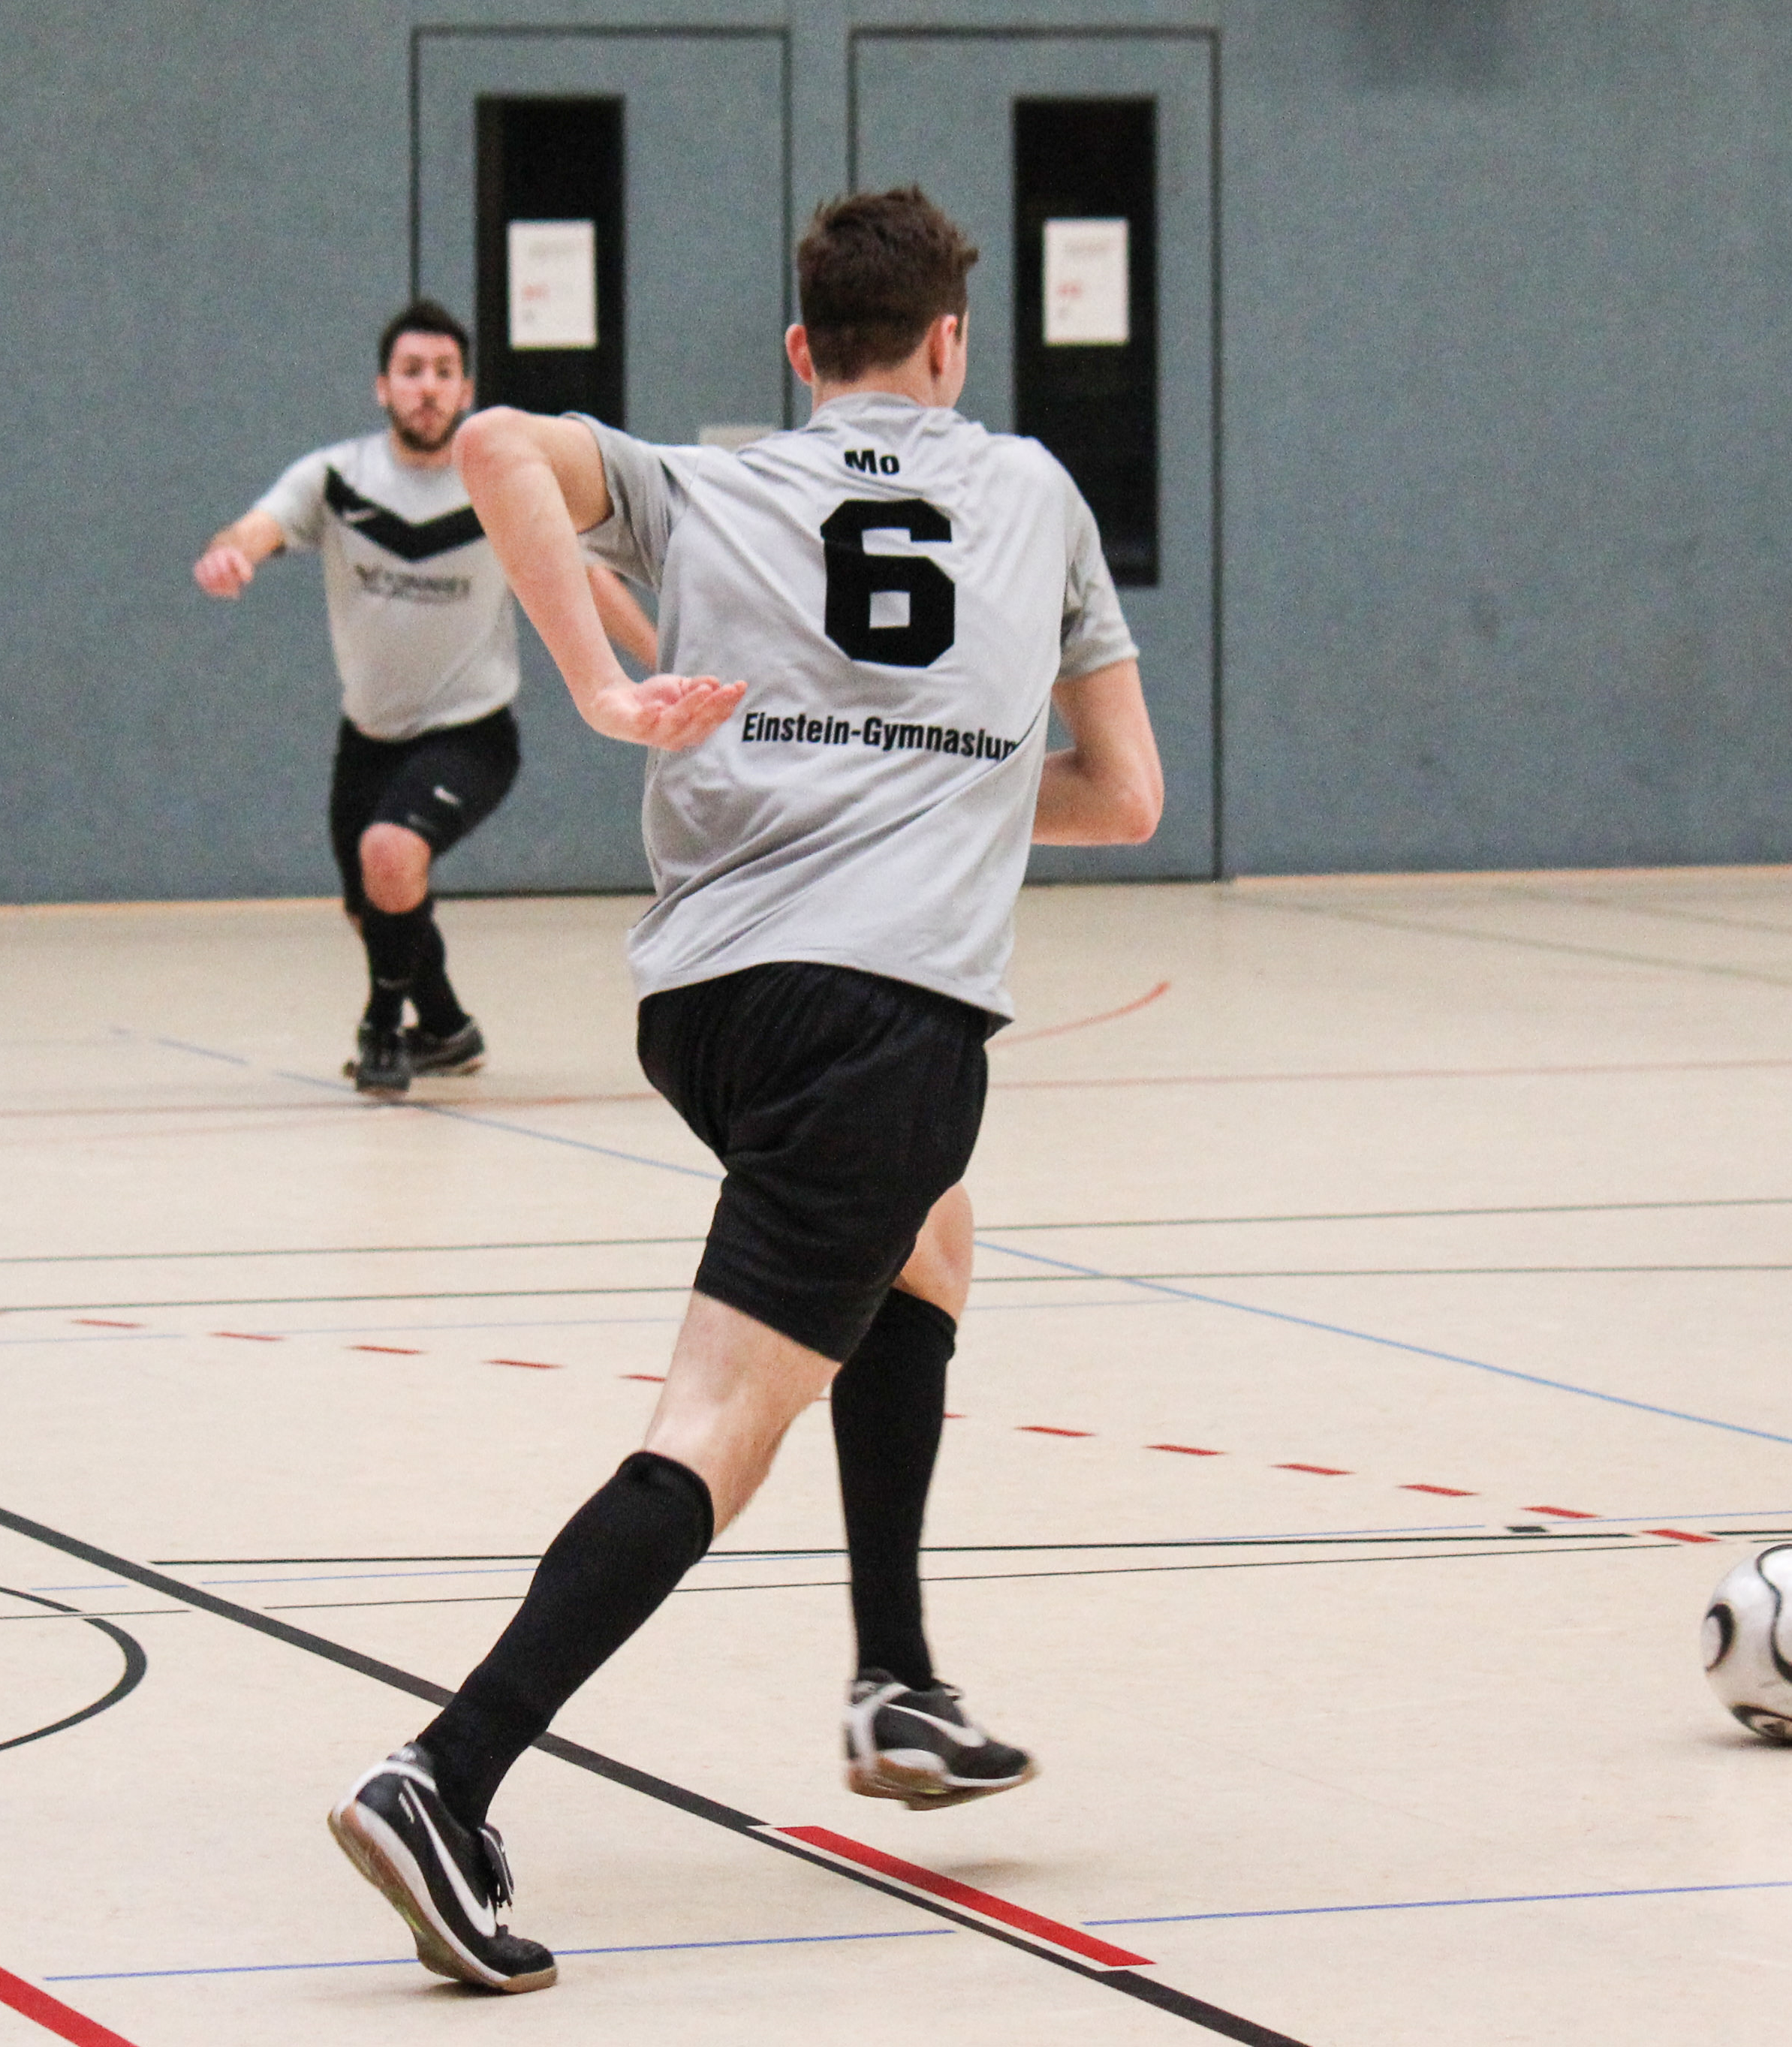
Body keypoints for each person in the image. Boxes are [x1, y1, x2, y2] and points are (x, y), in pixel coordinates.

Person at [324, 188, 1164, 1994]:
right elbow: (1126, 795)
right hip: (885, 1017)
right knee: (718, 1417)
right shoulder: (1034, 492)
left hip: (707, 1002)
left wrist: (601, 684)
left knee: (931, 1239)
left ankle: (894, 1679)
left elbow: (494, 446)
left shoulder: (713, 485)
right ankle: (445, 1774)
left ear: (802, 352)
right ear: (951, 342)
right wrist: (939, 774)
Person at [194, 301, 654, 1097]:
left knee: (390, 853)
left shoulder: (498, 487)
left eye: (444, 373)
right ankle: (445, 1028)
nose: (428, 388)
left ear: (467, 389)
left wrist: (659, 660)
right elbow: (252, 530)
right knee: (374, 904)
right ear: (383, 387)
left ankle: (382, 1029)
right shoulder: (336, 478)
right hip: (369, 737)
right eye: (412, 372)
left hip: (470, 733)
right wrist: (232, 556)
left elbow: (590, 578)